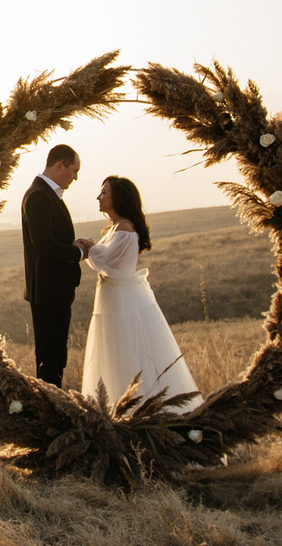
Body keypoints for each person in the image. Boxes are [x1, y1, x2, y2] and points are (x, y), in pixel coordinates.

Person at [80, 175, 198, 410]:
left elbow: (119, 270)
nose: (99, 197)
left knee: (128, 351)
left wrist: (91, 250)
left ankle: (136, 408)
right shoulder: (115, 228)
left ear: (118, 198)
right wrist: (93, 250)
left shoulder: (125, 228)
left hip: (122, 303)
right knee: (114, 353)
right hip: (110, 301)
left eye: (104, 192)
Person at [20, 144, 84, 386]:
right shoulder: (39, 195)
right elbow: (43, 245)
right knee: (51, 358)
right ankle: (50, 407)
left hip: (53, 291)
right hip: (49, 292)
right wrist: (77, 252)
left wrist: (72, 243)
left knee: (54, 356)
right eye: (74, 170)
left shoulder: (45, 193)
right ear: (59, 165)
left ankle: (50, 404)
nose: (75, 177)